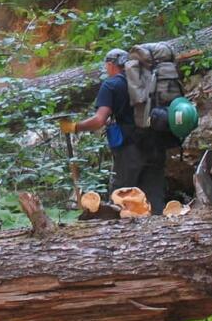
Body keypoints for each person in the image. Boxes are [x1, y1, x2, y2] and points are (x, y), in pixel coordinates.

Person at [59, 48, 168, 213]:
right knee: (154, 198)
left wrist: (75, 127)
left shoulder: (111, 84)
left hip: (131, 151)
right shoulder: (148, 80)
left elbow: (99, 120)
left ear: (110, 65)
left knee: (121, 198)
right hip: (157, 145)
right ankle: (161, 234)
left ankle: (119, 237)